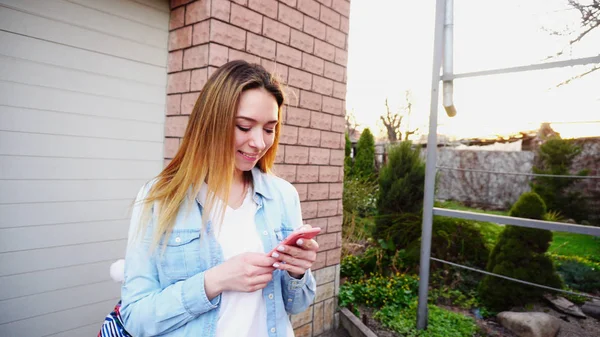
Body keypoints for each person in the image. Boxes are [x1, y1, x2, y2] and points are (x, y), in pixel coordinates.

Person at [119, 60, 319, 337]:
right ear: (210, 124)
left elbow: (297, 305)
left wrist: (298, 273)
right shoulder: (158, 199)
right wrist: (213, 281)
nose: (259, 143)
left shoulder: (283, 196)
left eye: (269, 129)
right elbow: (135, 317)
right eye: (244, 127)